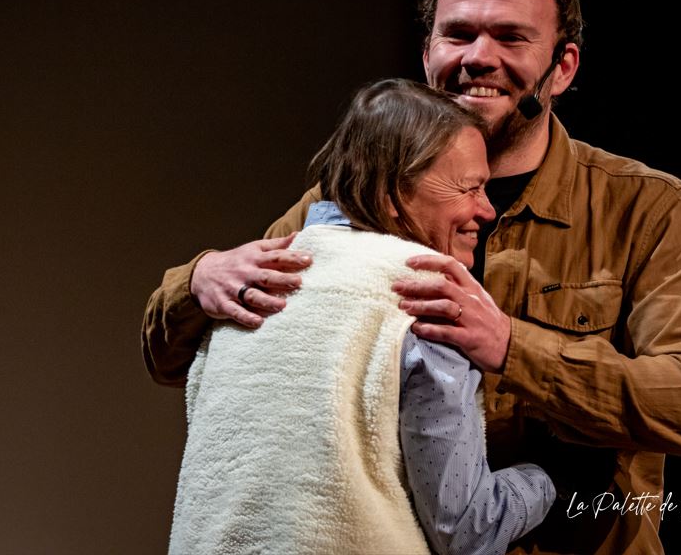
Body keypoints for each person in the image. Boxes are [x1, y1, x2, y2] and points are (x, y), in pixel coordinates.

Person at [143, 0, 681, 554]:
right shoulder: (354, 197)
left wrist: (512, 347)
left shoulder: (645, 209)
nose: (479, 57)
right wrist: (199, 280)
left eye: (511, 37)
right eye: (458, 34)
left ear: (563, 66)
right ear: (428, 50)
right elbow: (181, 361)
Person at [170, 79, 554, 555]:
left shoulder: (236, 289)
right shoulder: (425, 303)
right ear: (394, 194)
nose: (487, 209)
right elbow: (466, 531)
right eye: (469, 187)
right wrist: (545, 479)